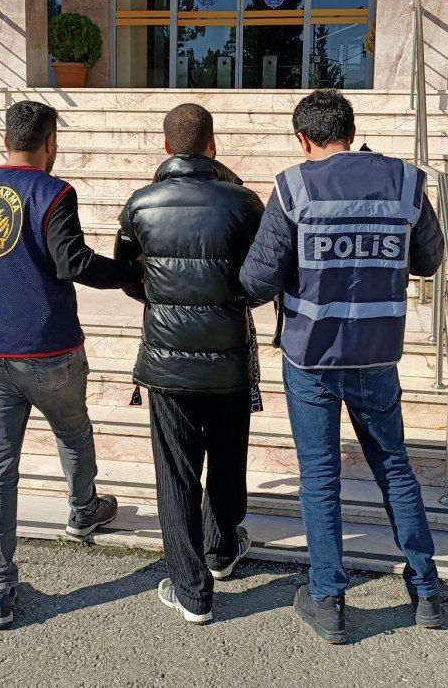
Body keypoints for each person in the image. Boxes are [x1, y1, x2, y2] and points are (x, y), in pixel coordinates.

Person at [240, 89, 446, 644]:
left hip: (311, 356)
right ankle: (426, 590)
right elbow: (429, 259)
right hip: (377, 353)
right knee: (395, 468)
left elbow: (256, 281)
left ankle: (328, 600)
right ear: (351, 134)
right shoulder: (406, 181)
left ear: (303, 140)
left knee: (320, 477)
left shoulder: (294, 187)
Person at [0, 100, 141, 630]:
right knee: (73, 431)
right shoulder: (53, 192)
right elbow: (73, 262)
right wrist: (131, 274)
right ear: (50, 141)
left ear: (6, 139)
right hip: (47, 347)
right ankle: (83, 511)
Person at [115, 103, 265, 625]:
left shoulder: (140, 204)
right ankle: (222, 551)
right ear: (213, 144)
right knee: (228, 457)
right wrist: (231, 302)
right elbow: (262, 276)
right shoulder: (244, 202)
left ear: (166, 147)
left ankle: (191, 591)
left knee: (176, 472)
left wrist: (164, 301)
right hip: (228, 357)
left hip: (166, 360)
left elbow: (129, 277)